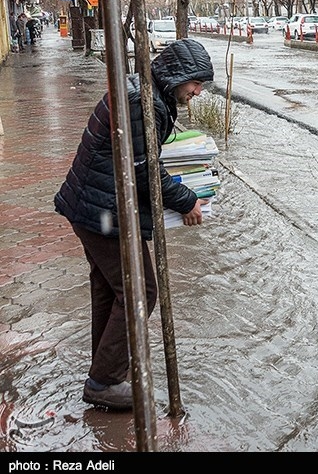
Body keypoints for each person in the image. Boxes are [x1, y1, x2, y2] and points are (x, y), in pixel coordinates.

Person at [54, 39, 214, 410]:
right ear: (178, 75)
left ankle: (105, 369)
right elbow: (144, 173)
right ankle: (104, 381)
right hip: (104, 212)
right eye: (196, 83)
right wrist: (188, 201)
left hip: (94, 207)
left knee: (111, 290)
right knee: (141, 291)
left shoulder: (144, 91)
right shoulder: (142, 102)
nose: (197, 91)